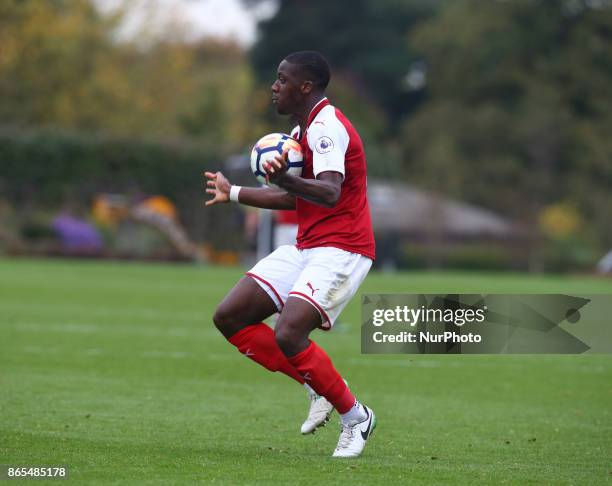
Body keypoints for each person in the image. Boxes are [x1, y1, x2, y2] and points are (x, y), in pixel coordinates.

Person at [204, 51, 376, 458]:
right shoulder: (302, 132)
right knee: (230, 317)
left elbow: (330, 191)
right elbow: (292, 197)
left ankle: (356, 417)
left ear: (306, 87)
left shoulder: (325, 129)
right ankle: (313, 382)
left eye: (282, 80)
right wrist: (235, 193)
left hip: (343, 248)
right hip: (307, 246)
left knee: (288, 332)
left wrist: (286, 179)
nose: (274, 87)